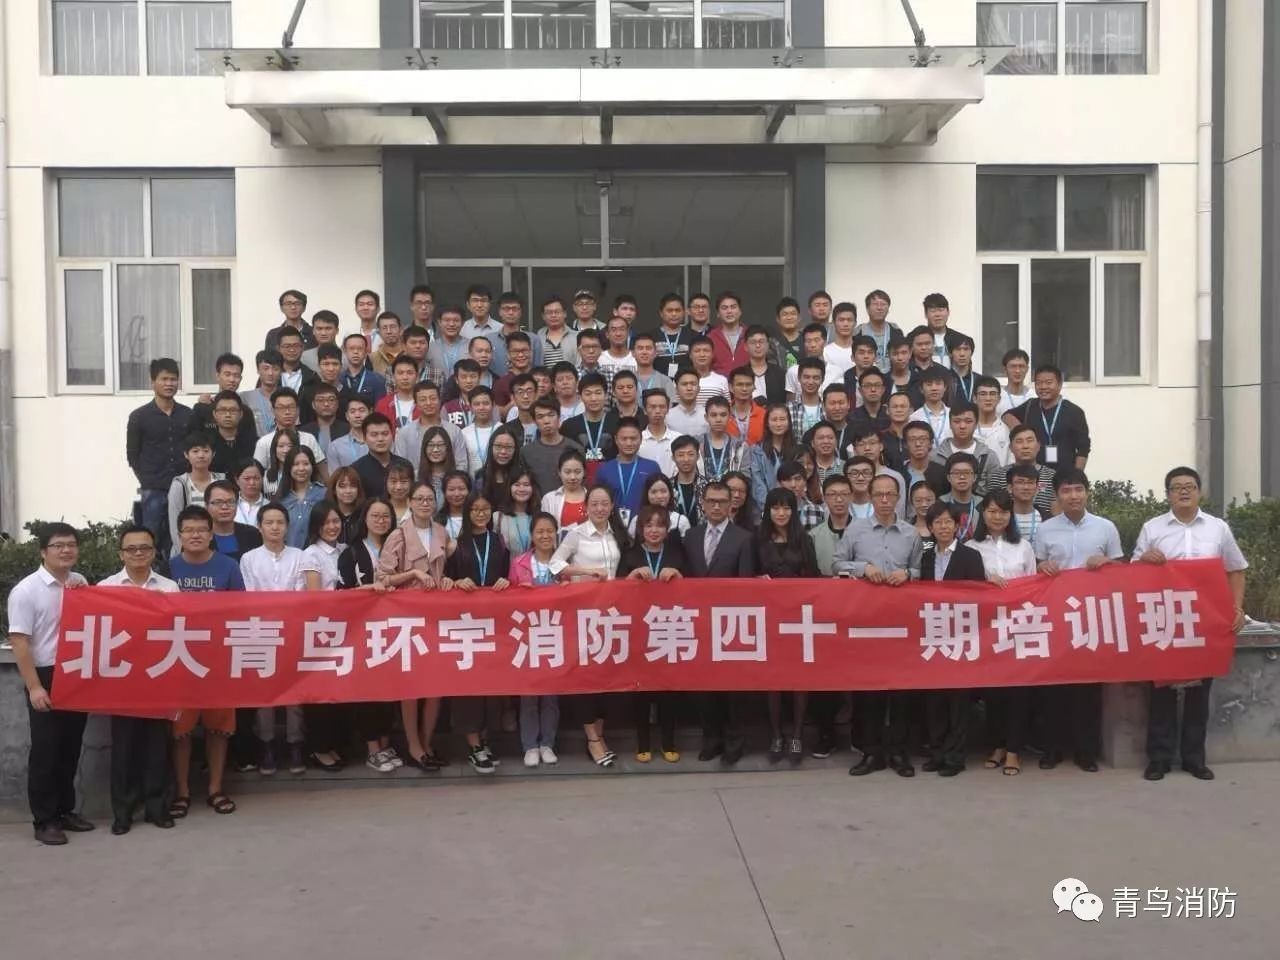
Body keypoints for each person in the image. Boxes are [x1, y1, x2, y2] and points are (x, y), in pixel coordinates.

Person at [1134, 467, 1248, 782]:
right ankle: (1159, 759)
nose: (1184, 491)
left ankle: (1194, 759)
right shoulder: (1152, 528)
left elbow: (1236, 569)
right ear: (1167, 494)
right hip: (1166, 618)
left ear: (1199, 492)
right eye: (1177, 487)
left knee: (1199, 693)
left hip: (1205, 620)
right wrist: (1145, 559)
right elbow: (1133, 570)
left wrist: (1236, 607)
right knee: (1162, 692)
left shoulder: (1218, 528)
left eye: (1190, 486)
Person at [1034, 470, 1124, 772]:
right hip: (1056, 615)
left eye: (1078, 489)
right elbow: (1037, 568)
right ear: (1057, 495)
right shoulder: (1045, 529)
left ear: (1087, 492)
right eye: (1066, 490)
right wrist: (1043, 566)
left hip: (1091, 617)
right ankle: (1052, 749)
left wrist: (1107, 562)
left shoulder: (1105, 527)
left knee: (1088, 687)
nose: (1073, 496)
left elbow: (1121, 570)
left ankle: (1086, 752)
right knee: (1053, 685)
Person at [7, 523, 92, 845]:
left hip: (75, 673)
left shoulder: (79, 582)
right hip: (44, 675)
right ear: (43, 552)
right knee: (46, 751)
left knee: (70, 747)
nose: (66, 550)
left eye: (71, 544)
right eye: (58, 545)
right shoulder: (26, 591)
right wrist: (34, 687)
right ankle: (44, 820)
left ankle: (64, 810)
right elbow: (19, 642)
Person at [835, 473, 922, 778]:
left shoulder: (911, 534)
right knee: (868, 691)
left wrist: (908, 574)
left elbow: (921, 570)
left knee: (900, 692)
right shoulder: (855, 530)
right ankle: (870, 752)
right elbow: (837, 563)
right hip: (866, 623)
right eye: (879, 495)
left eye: (890, 495)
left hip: (901, 623)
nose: (885, 500)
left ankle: (898, 751)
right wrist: (863, 568)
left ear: (898, 498)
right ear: (870, 498)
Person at [96, 526, 180, 835]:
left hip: (158, 675)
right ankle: (123, 812)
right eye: (131, 549)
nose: (138, 553)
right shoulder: (105, 588)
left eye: (145, 548)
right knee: (124, 748)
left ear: (154, 552)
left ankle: (157, 807)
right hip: (121, 680)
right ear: (121, 554)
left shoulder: (169, 587)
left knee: (158, 746)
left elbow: (178, 628)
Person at [168, 506, 244, 818]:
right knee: (180, 731)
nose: (195, 535)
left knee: (218, 729)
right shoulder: (168, 568)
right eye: (189, 530)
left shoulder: (229, 566)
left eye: (201, 530)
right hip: (178, 659)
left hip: (218, 659)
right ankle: (182, 792)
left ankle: (215, 789)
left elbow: (241, 610)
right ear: (180, 535)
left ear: (211, 534)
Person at [549, 485, 630, 767]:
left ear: (612, 506)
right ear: (586, 506)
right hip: (583, 615)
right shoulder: (576, 534)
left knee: (606, 678)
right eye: (594, 503)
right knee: (585, 677)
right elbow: (555, 564)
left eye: (604, 503)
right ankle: (592, 739)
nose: (599, 508)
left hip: (612, 615)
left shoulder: (618, 533)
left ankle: (600, 734)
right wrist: (586, 572)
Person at [378, 481, 453, 771]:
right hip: (406, 617)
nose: (424, 503)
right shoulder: (398, 535)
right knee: (411, 685)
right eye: (419, 498)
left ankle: (427, 741)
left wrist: (446, 580)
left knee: (436, 685)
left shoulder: (441, 532)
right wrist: (412, 574)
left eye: (429, 499)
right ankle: (413, 745)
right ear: (409, 502)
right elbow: (382, 578)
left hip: (436, 616)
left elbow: (445, 571)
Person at [685, 481, 757, 765]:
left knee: (733, 687)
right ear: (703, 504)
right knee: (705, 686)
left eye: (722, 502)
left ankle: (734, 742)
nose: (716, 506)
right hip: (699, 623)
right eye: (711, 501)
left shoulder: (743, 538)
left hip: (731, 623)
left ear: (731, 505)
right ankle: (711, 739)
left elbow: (746, 584)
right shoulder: (691, 536)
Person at [969, 490, 1038, 777]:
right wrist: (985, 582)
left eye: (1004, 512)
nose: (998, 517)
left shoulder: (1024, 547)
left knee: (1018, 692)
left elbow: (1034, 585)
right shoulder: (971, 547)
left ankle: (1014, 750)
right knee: (993, 691)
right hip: (986, 630)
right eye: (992, 511)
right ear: (983, 514)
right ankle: (997, 745)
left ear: (1011, 516)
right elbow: (965, 588)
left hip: (1019, 628)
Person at [443, 493, 511, 774]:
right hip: (466, 625)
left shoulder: (499, 542)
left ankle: (485, 741)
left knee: (491, 686)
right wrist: (457, 581)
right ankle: (473, 746)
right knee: (468, 686)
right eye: (475, 509)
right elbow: (446, 579)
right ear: (467, 512)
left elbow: (508, 575)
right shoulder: (456, 544)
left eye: (485, 509)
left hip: (495, 624)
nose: (480, 514)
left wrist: (507, 581)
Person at [238, 502, 307, 775]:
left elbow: (300, 595)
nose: (275, 527)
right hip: (261, 632)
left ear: (287, 526)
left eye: (280, 522)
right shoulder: (249, 559)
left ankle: (295, 744)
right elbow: (250, 597)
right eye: (269, 522)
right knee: (264, 694)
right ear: (260, 527)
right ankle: (266, 745)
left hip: (293, 631)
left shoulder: (299, 556)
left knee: (295, 693)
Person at [919, 501, 986, 777]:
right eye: (938, 523)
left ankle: (955, 757)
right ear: (930, 527)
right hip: (933, 636)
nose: (943, 527)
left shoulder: (971, 556)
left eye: (948, 522)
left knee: (958, 701)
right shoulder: (926, 558)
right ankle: (937, 753)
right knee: (935, 700)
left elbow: (979, 596)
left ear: (957, 526)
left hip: (961, 636)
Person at [616, 504, 686, 763]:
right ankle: (643, 742)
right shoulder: (630, 555)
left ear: (667, 529)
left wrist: (678, 574)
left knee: (669, 690)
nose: (654, 530)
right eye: (648, 525)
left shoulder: (677, 554)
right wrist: (632, 576)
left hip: (669, 628)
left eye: (659, 525)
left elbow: (694, 590)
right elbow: (616, 592)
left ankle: (668, 742)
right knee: (641, 690)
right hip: (639, 630)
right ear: (640, 529)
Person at [334, 497, 400, 771]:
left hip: (395, 629)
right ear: (365, 519)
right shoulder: (350, 552)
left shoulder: (399, 547)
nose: (381, 521)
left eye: (386, 516)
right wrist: (370, 590)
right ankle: (372, 748)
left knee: (392, 689)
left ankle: (385, 742)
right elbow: (342, 594)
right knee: (369, 690)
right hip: (362, 630)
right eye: (375, 516)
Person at [756, 488, 820, 764]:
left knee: (799, 679)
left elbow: (814, 576)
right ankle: (776, 735)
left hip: (798, 618)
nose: (781, 513)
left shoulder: (804, 539)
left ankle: (796, 735)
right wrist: (758, 581)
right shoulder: (757, 540)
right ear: (768, 511)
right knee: (774, 680)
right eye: (775, 508)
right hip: (768, 618)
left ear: (794, 511)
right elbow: (746, 576)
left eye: (786, 508)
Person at [507, 512, 564, 767]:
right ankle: (530, 745)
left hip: (556, 634)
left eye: (549, 531)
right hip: (527, 636)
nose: (545, 536)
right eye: (540, 531)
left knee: (551, 695)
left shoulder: (564, 564)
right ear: (531, 535)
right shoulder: (519, 563)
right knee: (528, 694)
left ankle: (547, 743)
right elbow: (508, 600)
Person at [126, 358, 192, 556]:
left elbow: (194, 448)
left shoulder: (188, 415)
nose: (169, 384)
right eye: (164, 379)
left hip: (182, 486)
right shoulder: (139, 416)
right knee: (150, 538)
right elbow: (132, 455)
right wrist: (147, 479)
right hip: (153, 488)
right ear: (152, 382)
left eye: (173, 379)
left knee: (182, 536)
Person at [1004, 364, 1091, 472]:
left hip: (1064, 474)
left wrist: (1077, 474)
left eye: (1049, 382)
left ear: (1059, 384)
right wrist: (1019, 429)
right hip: (1033, 474)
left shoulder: (1074, 412)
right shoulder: (1030, 406)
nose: (1043, 387)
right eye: (1039, 383)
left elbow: (1083, 448)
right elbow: (1007, 415)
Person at [166, 434, 225, 554]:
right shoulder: (180, 484)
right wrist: (183, 552)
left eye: (206, 451)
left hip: (220, 546)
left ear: (213, 454)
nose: (201, 455)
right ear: (186, 454)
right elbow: (174, 522)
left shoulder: (222, 481)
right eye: (195, 451)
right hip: (188, 547)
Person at [596, 417, 661, 525]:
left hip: (645, 526)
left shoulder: (652, 467)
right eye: (624, 439)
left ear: (641, 439)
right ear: (616, 440)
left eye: (633, 438)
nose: (629, 443)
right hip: (612, 526)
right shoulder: (604, 469)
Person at [252, 388, 327, 475]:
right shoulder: (264, 442)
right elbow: (256, 473)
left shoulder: (309, 439)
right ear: (273, 411)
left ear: (298, 410)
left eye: (291, 407)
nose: (287, 412)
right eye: (281, 408)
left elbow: (322, 471)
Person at [931, 403, 1002, 496]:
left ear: (976, 424)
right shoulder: (935, 456)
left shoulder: (989, 456)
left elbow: (996, 494)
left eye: (968, 421)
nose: (962, 426)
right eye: (957, 421)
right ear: (950, 424)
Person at [561, 373, 617, 483]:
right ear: (580, 396)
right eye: (588, 394)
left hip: (611, 479)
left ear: (606, 395)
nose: (593, 398)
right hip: (578, 481)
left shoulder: (617, 423)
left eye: (598, 393)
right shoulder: (569, 426)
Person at [522, 398, 585, 495]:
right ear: (534, 421)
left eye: (551, 415)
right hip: (538, 504)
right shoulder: (526, 452)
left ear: (559, 417)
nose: (546, 421)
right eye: (540, 417)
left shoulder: (576, 449)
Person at [352, 412, 414, 498]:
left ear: (392, 435)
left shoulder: (405, 465)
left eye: (385, 434)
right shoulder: (356, 470)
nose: (380, 439)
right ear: (365, 438)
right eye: (374, 435)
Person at [279, 446, 327, 548]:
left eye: (306, 464)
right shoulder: (281, 498)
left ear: (312, 466)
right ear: (289, 467)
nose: (301, 468)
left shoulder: (324, 494)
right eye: (296, 464)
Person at [206, 477, 263, 562]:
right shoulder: (199, 537)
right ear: (206, 506)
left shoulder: (253, 534)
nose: (224, 507)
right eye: (218, 502)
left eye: (230, 502)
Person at [204, 388, 257, 475]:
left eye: (232, 410)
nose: (227, 415)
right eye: (222, 410)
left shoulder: (254, 443)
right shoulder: (205, 443)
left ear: (241, 414)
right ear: (214, 414)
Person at [1007, 425, 1059, 514]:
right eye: (1019, 441)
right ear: (1011, 447)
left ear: (1038, 446)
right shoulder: (998, 475)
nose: (1025, 446)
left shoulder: (1053, 476)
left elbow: (1057, 511)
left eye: (1029, 441)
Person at [626, 473, 692, 538]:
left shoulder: (681, 521)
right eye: (654, 492)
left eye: (663, 491)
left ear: (670, 493)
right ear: (647, 494)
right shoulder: (636, 520)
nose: (659, 496)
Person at [854, 289, 902, 371]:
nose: (879, 308)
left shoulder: (895, 330)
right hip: (866, 374)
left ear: (888, 309)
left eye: (883, 304)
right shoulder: (859, 332)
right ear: (867, 309)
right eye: (875, 304)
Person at [973, 376, 1013, 467]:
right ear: (974, 398)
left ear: (999, 399)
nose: (988, 398)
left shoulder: (1006, 430)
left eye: (992, 394)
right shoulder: (965, 428)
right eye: (983, 394)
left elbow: (1011, 463)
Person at [708, 291, 748, 375]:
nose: (729, 311)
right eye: (724, 308)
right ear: (718, 314)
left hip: (746, 382)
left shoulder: (750, 335)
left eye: (733, 307)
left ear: (740, 311)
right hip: (719, 382)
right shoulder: (710, 338)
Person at [533, 296, 579, 369]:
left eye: (557, 312)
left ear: (565, 314)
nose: (553, 315)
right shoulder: (537, 338)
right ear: (543, 316)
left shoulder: (577, 337)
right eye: (549, 312)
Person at [327, 466, 367, 544]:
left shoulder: (365, 515)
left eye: (353, 486)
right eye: (342, 486)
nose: (348, 491)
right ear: (334, 489)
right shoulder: (325, 515)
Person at [480, 428, 520, 504]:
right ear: (491, 448)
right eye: (498, 446)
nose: (503, 451)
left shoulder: (521, 476)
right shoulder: (481, 476)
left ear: (515, 449)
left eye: (508, 447)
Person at [666, 368, 708, 439]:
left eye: (693, 384)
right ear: (676, 389)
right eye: (684, 384)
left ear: (699, 389)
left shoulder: (708, 415)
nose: (689, 388)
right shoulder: (667, 416)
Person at [996, 348, 1034, 415]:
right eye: (1013, 366)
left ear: (1027, 369)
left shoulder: (1034, 396)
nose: (1017, 371)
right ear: (1005, 369)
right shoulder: (997, 397)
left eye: (1021, 366)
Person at [232, 459, 268, 526]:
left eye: (256, 478)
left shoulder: (269, 506)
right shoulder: (229, 505)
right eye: (246, 478)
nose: (252, 483)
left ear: (262, 479)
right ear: (237, 480)